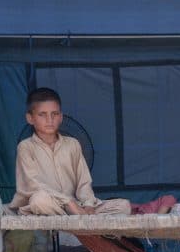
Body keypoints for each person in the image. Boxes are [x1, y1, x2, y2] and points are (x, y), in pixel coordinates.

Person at [8, 87, 134, 216]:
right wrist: (68, 202)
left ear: (61, 117)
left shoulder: (72, 144)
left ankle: (79, 222)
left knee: (123, 206)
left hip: (75, 207)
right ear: (30, 118)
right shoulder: (26, 147)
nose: (49, 120)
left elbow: (83, 181)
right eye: (42, 114)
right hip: (47, 205)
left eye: (54, 114)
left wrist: (88, 205)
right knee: (39, 200)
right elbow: (33, 185)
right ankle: (79, 226)